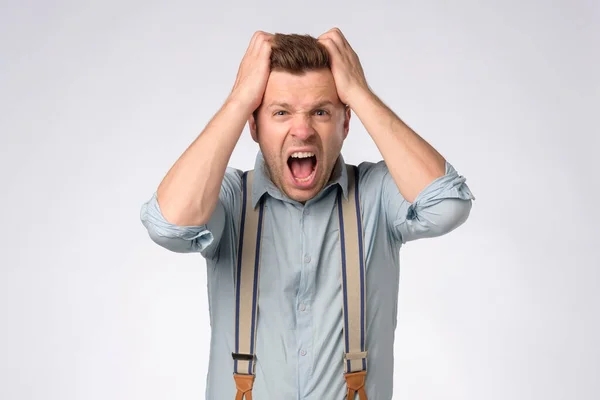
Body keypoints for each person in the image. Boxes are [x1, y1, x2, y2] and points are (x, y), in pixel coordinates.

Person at [140, 28, 475, 400]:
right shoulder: (230, 199)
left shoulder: (376, 195)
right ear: (254, 125)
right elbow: (169, 225)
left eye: (320, 111)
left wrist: (360, 94)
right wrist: (238, 101)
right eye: (280, 112)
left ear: (345, 123)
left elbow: (448, 204)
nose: (302, 130)